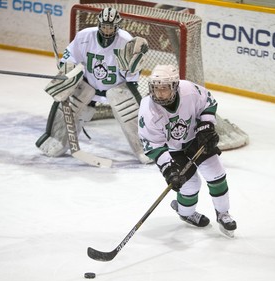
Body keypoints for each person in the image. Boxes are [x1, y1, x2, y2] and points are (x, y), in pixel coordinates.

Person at [36, 7, 151, 164]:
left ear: (117, 26)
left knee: (130, 113)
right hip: (88, 85)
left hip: (116, 88)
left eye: (110, 27)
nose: (107, 30)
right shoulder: (84, 36)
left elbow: (131, 76)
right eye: (104, 26)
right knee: (68, 108)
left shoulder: (125, 40)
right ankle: (56, 140)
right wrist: (66, 68)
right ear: (99, 24)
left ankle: (145, 148)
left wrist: (133, 68)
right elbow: (70, 57)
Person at [138, 64, 237, 237]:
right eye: (156, 88)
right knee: (190, 185)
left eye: (164, 89)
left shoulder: (189, 90)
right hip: (171, 150)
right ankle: (186, 213)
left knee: (216, 173)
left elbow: (208, 102)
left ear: (175, 87)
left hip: (195, 139)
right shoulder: (148, 109)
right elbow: (152, 144)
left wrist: (206, 126)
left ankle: (223, 213)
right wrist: (168, 169)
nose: (159, 93)